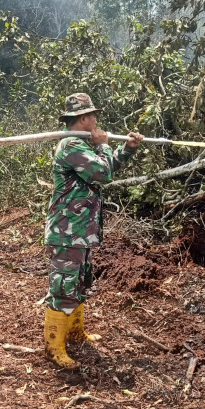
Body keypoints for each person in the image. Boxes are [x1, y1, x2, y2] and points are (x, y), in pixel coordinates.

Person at [43, 93, 144, 368]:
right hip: (67, 231)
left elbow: (108, 166)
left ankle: (75, 332)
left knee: (79, 281)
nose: (97, 121)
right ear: (84, 118)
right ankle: (54, 346)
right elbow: (103, 173)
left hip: (82, 231)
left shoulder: (84, 144)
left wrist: (128, 149)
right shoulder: (71, 145)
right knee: (64, 285)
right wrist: (104, 146)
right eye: (93, 116)